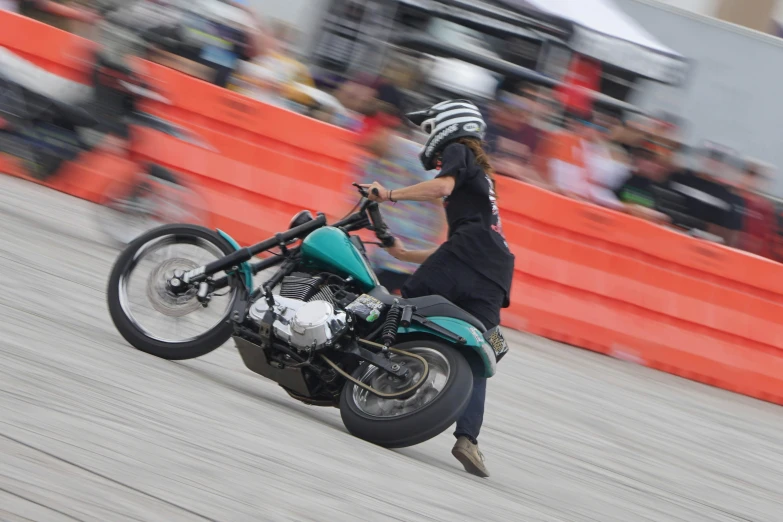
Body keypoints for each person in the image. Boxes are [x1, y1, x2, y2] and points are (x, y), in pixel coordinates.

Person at [361, 99, 515, 478]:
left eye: (429, 129)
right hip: (496, 271)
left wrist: (388, 196)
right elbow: (459, 245)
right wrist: (403, 253)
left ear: (449, 126)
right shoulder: (484, 177)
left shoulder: (458, 151)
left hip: (469, 256)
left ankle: (365, 372)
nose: (427, 139)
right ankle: (469, 440)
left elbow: (440, 187)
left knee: (400, 306)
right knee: (479, 352)